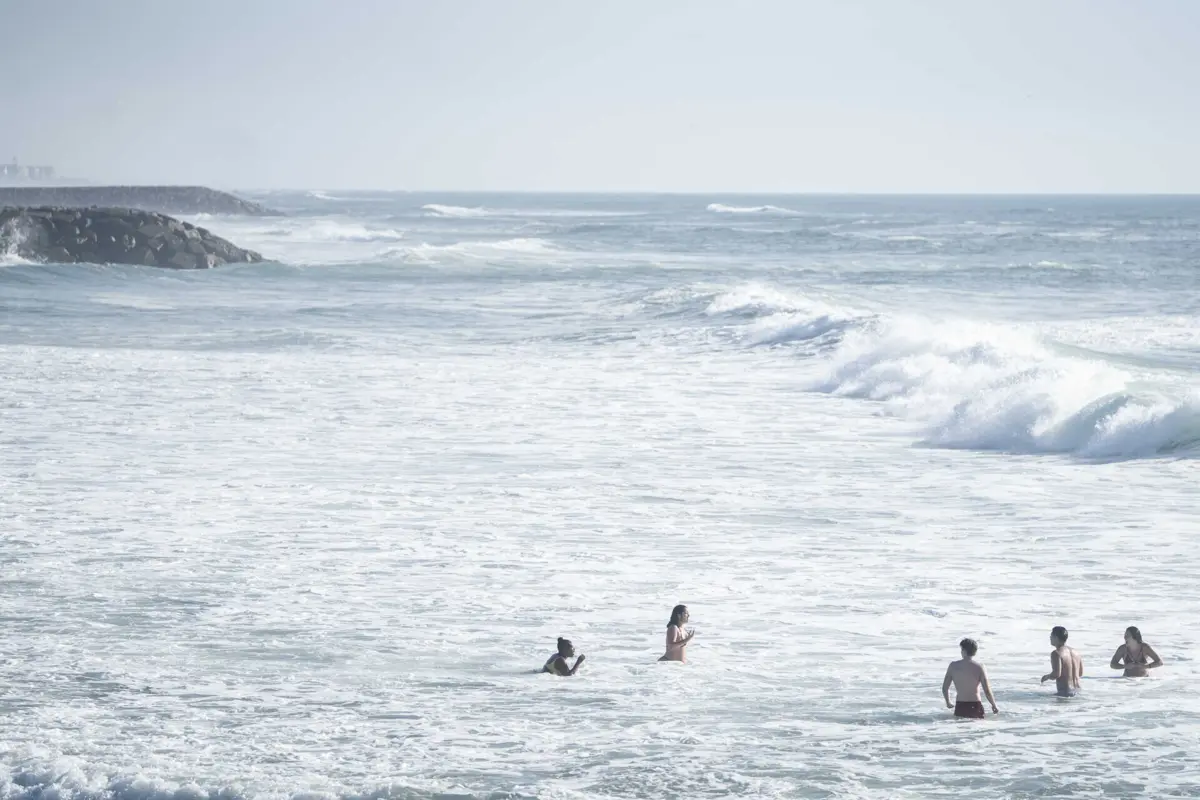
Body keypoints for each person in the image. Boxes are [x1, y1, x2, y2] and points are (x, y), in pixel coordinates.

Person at [942, 638, 998, 718]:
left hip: (960, 705)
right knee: (977, 729)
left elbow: (945, 688)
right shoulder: (979, 667)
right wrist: (993, 705)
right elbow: (987, 690)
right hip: (975, 705)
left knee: (961, 729)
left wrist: (948, 702)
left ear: (964, 651)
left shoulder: (953, 666)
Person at [1041, 626, 1083, 697]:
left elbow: (1056, 674)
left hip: (1065, 693)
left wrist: (1046, 677)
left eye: (1051, 635)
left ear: (1056, 638)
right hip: (1078, 691)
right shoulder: (1076, 652)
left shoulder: (1056, 653)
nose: (1050, 638)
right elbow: (1080, 673)